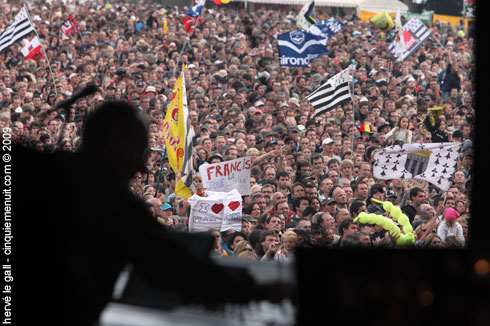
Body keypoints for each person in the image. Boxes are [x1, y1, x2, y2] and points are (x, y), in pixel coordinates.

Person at [12, 101, 287, 326]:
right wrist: (260, 290)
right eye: (138, 153)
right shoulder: (110, 201)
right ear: (114, 145)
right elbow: (170, 264)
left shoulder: (38, 171)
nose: (142, 169)